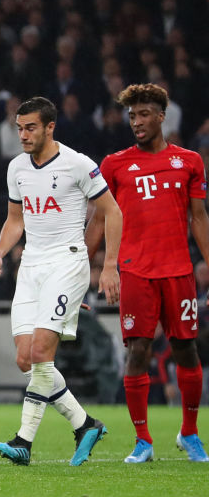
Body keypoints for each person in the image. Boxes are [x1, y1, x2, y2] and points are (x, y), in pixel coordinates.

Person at [0, 96, 122, 467]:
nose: (23, 135)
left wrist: (109, 265)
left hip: (67, 262)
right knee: (25, 359)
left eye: (30, 127)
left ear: (50, 127)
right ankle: (85, 424)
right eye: (19, 128)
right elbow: (16, 219)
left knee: (42, 354)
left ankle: (23, 442)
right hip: (31, 265)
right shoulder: (17, 167)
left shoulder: (78, 165)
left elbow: (112, 211)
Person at [87, 83, 209, 463]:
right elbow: (98, 220)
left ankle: (189, 433)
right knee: (137, 351)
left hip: (178, 270)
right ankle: (143, 440)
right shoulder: (114, 164)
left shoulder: (189, 161)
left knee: (185, 349)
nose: (136, 122)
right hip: (135, 272)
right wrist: (76, 268)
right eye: (131, 116)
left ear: (161, 117)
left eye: (143, 115)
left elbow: (199, 217)